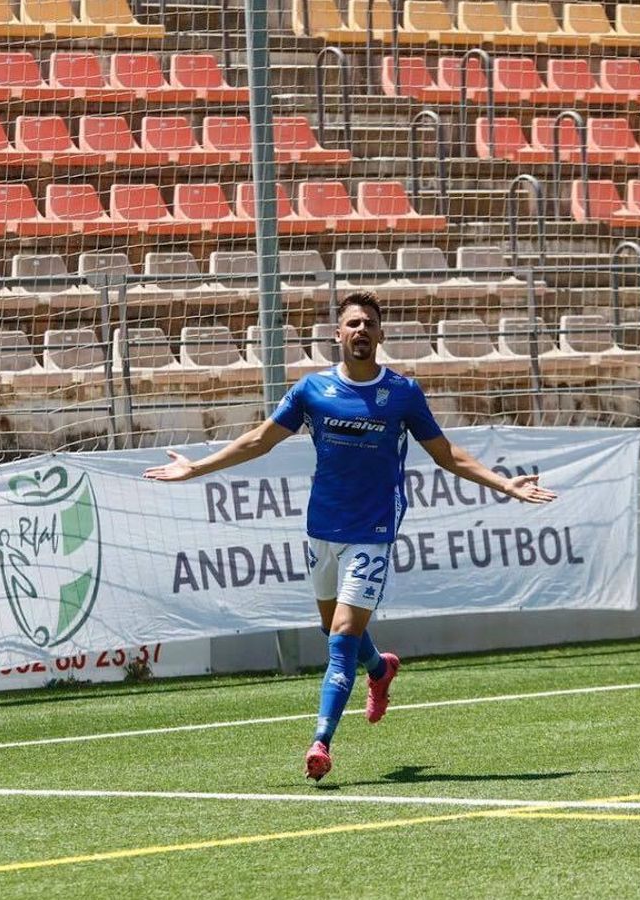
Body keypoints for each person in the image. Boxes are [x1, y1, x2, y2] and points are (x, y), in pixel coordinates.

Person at [143, 291, 557, 781]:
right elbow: (259, 440)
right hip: (323, 526)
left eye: (370, 324)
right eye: (353, 323)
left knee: (340, 637)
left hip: (374, 529)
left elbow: (447, 454)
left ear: (381, 336)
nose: (361, 330)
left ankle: (321, 742)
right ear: (337, 334)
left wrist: (503, 483)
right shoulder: (312, 390)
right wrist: (197, 469)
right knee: (334, 628)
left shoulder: (402, 392)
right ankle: (380, 670)